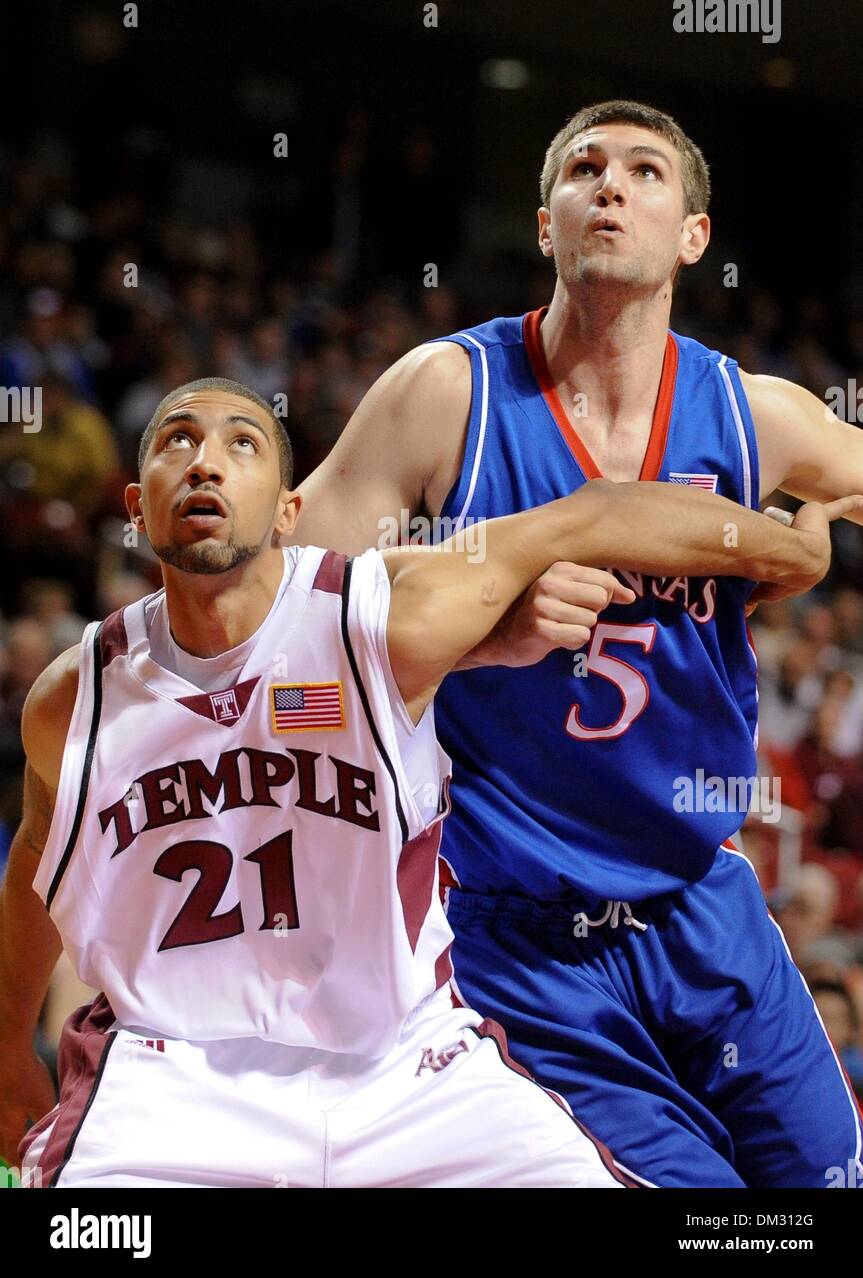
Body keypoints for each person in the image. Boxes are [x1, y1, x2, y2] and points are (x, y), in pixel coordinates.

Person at [1, 378, 834, 1189]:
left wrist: (785, 549)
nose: (205, 462)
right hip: (170, 1084)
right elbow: (37, 869)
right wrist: (7, 1051)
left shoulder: (383, 618)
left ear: (290, 511)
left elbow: (594, 514)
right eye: (177, 440)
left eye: (241, 443)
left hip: (407, 1071)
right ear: (134, 506)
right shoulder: (78, 698)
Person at [291, 99, 863, 1187]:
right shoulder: (441, 397)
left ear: (691, 235)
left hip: (704, 900)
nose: (610, 184)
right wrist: (470, 634)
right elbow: (283, 633)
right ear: (545, 224)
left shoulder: (754, 417)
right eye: (584, 168)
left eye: (645, 171)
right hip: (518, 938)